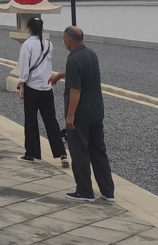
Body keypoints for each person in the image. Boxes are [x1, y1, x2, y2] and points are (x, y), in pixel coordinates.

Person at [49, 26, 114, 201]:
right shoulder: (91, 54)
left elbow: (75, 90)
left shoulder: (73, 59)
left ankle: (85, 191)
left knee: (79, 152)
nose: (64, 42)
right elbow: (81, 73)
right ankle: (108, 191)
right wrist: (60, 75)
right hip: (96, 111)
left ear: (68, 40)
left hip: (81, 114)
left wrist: (70, 116)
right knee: (99, 151)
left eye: (64, 39)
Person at [16, 17, 68, 167]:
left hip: (32, 87)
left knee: (31, 121)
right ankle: (62, 154)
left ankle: (31, 153)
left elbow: (24, 67)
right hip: (47, 87)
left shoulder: (27, 45)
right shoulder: (49, 44)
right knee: (51, 121)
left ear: (29, 29)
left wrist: (21, 85)